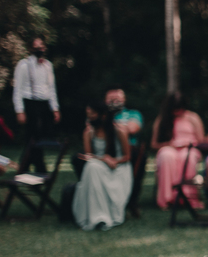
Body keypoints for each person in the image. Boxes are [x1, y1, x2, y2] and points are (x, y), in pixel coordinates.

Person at [73, 100, 133, 231]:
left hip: (119, 169)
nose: (90, 117)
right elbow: (88, 156)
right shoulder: (88, 132)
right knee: (92, 166)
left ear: (103, 115)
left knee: (92, 167)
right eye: (88, 114)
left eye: (93, 114)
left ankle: (100, 216)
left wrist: (114, 161)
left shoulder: (119, 130)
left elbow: (127, 157)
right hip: (98, 166)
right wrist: (103, 159)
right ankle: (96, 217)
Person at [150, 92, 205, 210]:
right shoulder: (162, 119)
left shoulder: (193, 117)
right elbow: (153, 144)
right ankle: (167, 198)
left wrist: (189, 144)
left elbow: (201, 141)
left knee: (187, 157)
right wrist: (168, 144)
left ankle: (188, 198)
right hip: (169, 148)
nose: (178, 112)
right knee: (166, 156)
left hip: (190, 148)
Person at [12, 37, 60, 173]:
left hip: (44, 105)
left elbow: (51, 88)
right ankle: (40, 169)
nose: (40, 49)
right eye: (36, 46)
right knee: (33, 137)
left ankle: (24, 168)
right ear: (31, 49)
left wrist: (55, 108)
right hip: (30, 103)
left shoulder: (48, 65)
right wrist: (19, 110)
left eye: (41, 46)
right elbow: (17, 89)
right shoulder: (24, 65)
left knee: (38, 138)